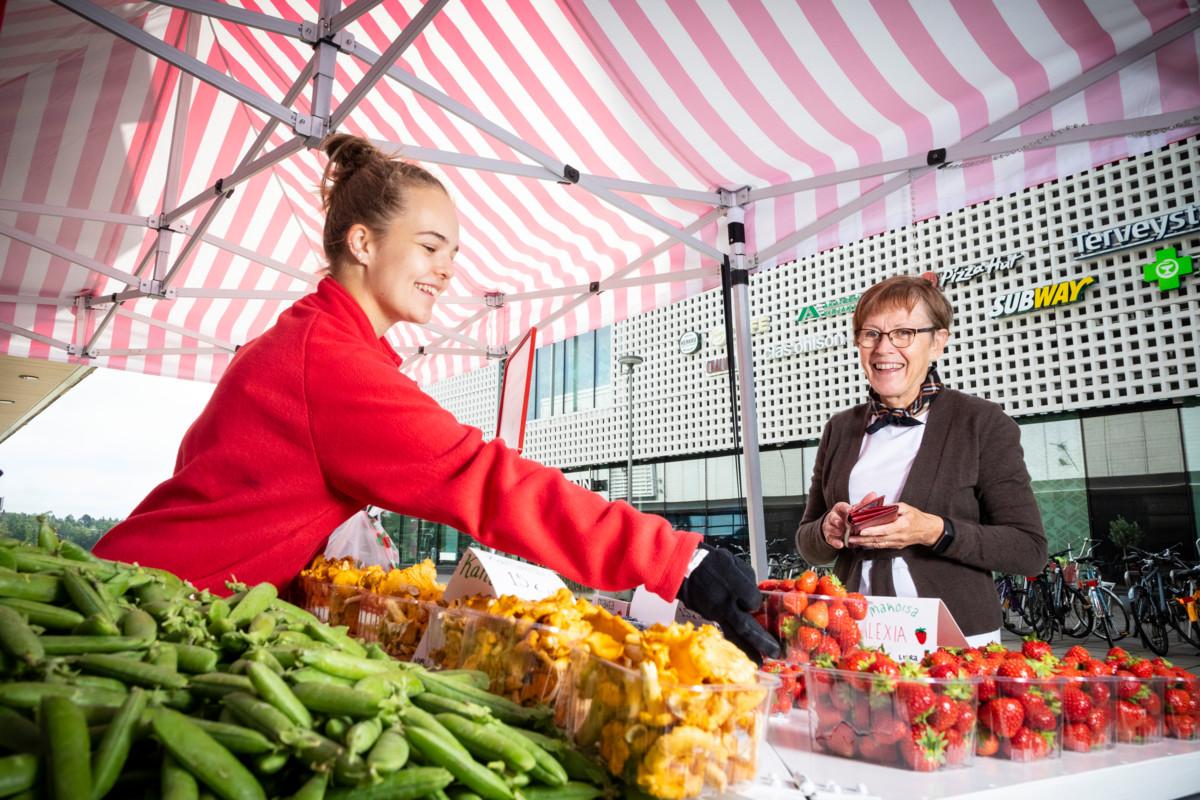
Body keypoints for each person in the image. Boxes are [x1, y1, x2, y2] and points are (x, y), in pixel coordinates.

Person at [94, 134, 778, 662]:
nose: (447, 270)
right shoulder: (327, 362)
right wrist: (674, 559)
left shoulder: (309, 340)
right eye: (429, 247)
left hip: (150, 599)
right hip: (145, 619)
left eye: (451, 251)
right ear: (362, 242)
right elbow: (481, 478)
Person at [795, 274, 1046, 646]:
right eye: (871, 334)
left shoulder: (982, 422)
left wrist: (934, 530)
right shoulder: (839, 428)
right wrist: (828, 531)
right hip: (855, 633)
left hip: (956, 641)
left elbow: (1029, 550)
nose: (884, 348)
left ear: (937, 342)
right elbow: (807, 543)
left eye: (904, 333)